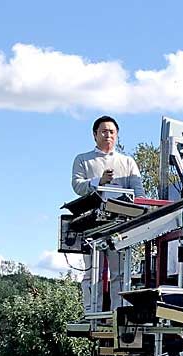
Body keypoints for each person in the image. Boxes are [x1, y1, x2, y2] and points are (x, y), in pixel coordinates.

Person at [71, 116, 144, 312]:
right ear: (95, 135)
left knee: (119, 273)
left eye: (112, 132)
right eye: (104, 131)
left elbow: (139, 193)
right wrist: (98, 181)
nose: (108, 135)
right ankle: (91, 311)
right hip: (92, 224)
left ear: (117, 135)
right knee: (91, 272)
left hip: (120, 224)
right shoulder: (83, 160)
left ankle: (118, 312)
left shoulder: (127, 162)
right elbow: (77, 186)